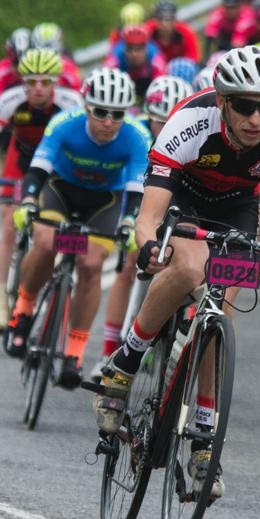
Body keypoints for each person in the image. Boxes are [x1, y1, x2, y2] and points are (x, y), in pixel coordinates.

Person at [95, 47, 260, 501]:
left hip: (237, 207)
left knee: (221, 315)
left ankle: (203, 436)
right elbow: (147, 217)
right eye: (244, 105)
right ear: (222, 101)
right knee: (188, 265)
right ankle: (126, 361)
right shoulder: (190, 121)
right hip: (182, 198)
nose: (256, 119)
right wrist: (150, 247)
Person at [6, 68, 150, 386]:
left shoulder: (137, 136)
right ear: (87, 108)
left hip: (105, 201)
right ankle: (24, 308)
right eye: (101, 112)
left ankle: (74, 352)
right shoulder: (63, 124)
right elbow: (38, 169)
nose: (108, 122)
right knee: (46, 242)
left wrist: (129, 222)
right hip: (61, 190)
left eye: (117, 114)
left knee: (91, 265)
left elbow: (136, 191)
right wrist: (28, 201)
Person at [0, 49, 85, 331]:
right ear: (22, 81)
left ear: (56, 82)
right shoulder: (9, 100)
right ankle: (2, 300)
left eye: (45, 82)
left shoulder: (71, 103)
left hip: (59, 164)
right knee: (10, 223)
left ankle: (60, 269)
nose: (38, 88)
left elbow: (83, 146)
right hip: (21, 160)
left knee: (60, 221)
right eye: (31, 81)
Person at [100, 74, 193, 363]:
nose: (165, 129)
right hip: (139, 199)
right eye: (159, 123)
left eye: (171, 122)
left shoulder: (192, 134)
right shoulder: (138, 134)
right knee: (130, 263)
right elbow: (129, 182)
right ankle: (109, 349)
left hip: (179, 203)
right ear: (148, 116)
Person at [148, 0, 201, 64]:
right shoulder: (148, 31)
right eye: (160, 19)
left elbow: (193, 60)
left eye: (168, 19)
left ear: (175, 20)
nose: (164, 23)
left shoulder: (186, 33)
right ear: (155, 20)